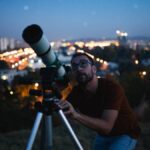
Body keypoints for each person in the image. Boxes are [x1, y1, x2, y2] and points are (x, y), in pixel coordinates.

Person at [58, 52, 140, 150]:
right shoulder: (77, 92)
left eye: (83, 63)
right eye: (74, 66)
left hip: (125, 133)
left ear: (94, 69)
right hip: (103, 135)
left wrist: (76, 115)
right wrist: (57, 91)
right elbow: (61, 111)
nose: (79, 69)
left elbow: (107, 127)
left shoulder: (112, 88)